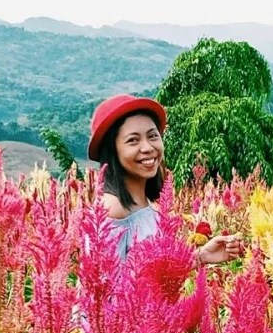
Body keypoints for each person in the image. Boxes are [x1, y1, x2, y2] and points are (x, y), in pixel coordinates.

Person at [88, 94, 243, 263]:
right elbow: (105, 286)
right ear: (112, 151)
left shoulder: (146, 203)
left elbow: (157, 272)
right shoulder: (111, 211)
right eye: (133, 140)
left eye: (153, 136)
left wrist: (200, 256)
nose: (147, 147)